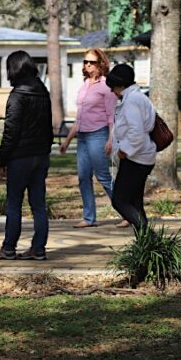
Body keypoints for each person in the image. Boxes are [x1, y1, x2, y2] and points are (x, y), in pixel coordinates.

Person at [59, 48, 128, 228]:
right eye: (85, 62)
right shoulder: (84, 85)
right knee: (83, 177)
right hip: (82, 136)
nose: (87, 65)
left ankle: (128, 213)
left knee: (103, 176)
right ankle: (89, 218)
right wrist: (67, 141)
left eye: (92, 62)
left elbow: (111, 117)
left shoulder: (106, 87)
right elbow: (79, 119)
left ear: (100, 64)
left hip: (99, 134)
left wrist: (110, 139)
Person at [0, 51, 53, 260]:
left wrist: (1, 160)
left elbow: (11, 131)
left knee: (14, 203)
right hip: (40, 155)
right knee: (38, 204)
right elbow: (48, 127)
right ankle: (39, 248)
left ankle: (9, 247)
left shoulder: (18, 95)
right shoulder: (42, 91)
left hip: (20, 157)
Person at [106, 63, 156, 230]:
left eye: (113, 87)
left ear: (120, 85)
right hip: (143, 156)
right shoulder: (139, 97)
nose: (112, 91)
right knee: (135, 203)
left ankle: (149, 236)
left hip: (136, 158)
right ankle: (145, 244)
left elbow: (136, 131)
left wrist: (123, 151)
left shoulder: (132, 101)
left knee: (120, 200)